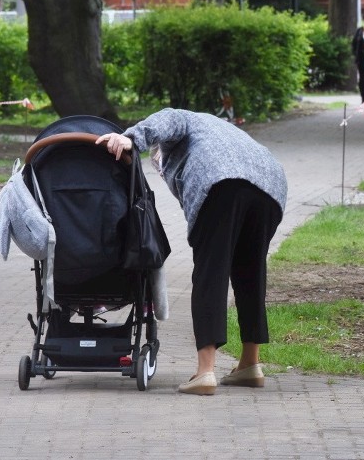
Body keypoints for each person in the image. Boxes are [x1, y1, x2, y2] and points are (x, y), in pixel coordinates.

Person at [96, 109, 287, 396]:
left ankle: (205, 372)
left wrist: (131, 138)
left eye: (160, 164)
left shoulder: (185, 122)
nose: (161, 169)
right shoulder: (220, 130)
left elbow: (169, 118)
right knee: (250, 272)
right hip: (271, 186)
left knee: (211, 272)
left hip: (223, 180)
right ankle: (250, 365)